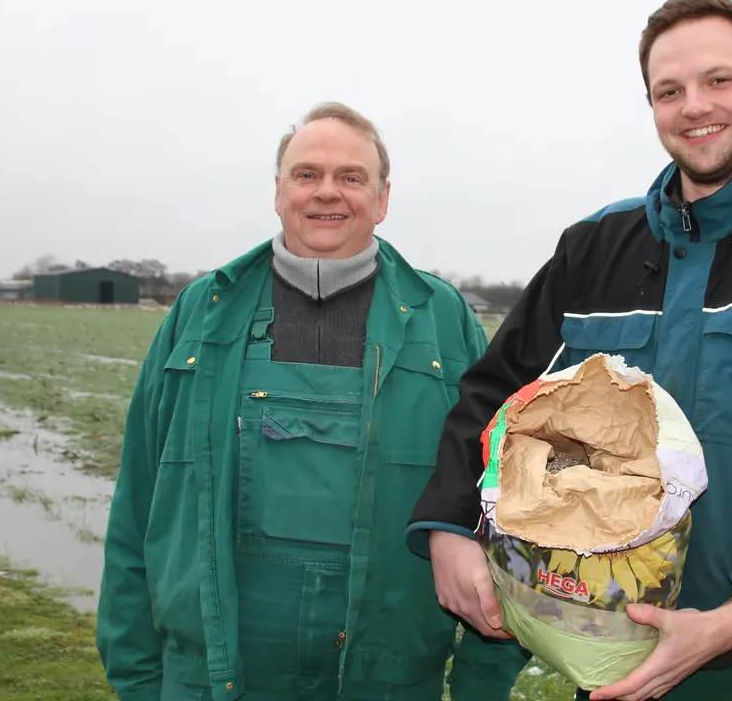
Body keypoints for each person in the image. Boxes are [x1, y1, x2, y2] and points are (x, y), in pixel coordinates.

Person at [406, 0, 732, 701]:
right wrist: (447, 528)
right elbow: (493, 395)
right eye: (669, 90)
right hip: (601, 657)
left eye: (719, 80)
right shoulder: (594, 248)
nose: (694, 105)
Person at [96, 102, 530, 701]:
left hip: (389, 677)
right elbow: (139, 501)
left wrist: (485, 678)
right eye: (307, 175)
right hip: (213, 673)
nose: (328, 193)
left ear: (382, 200)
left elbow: (497, 509)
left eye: (351, 177)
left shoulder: (445, 320)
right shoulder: (200, 313)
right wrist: (138, 674)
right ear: (278, 193)